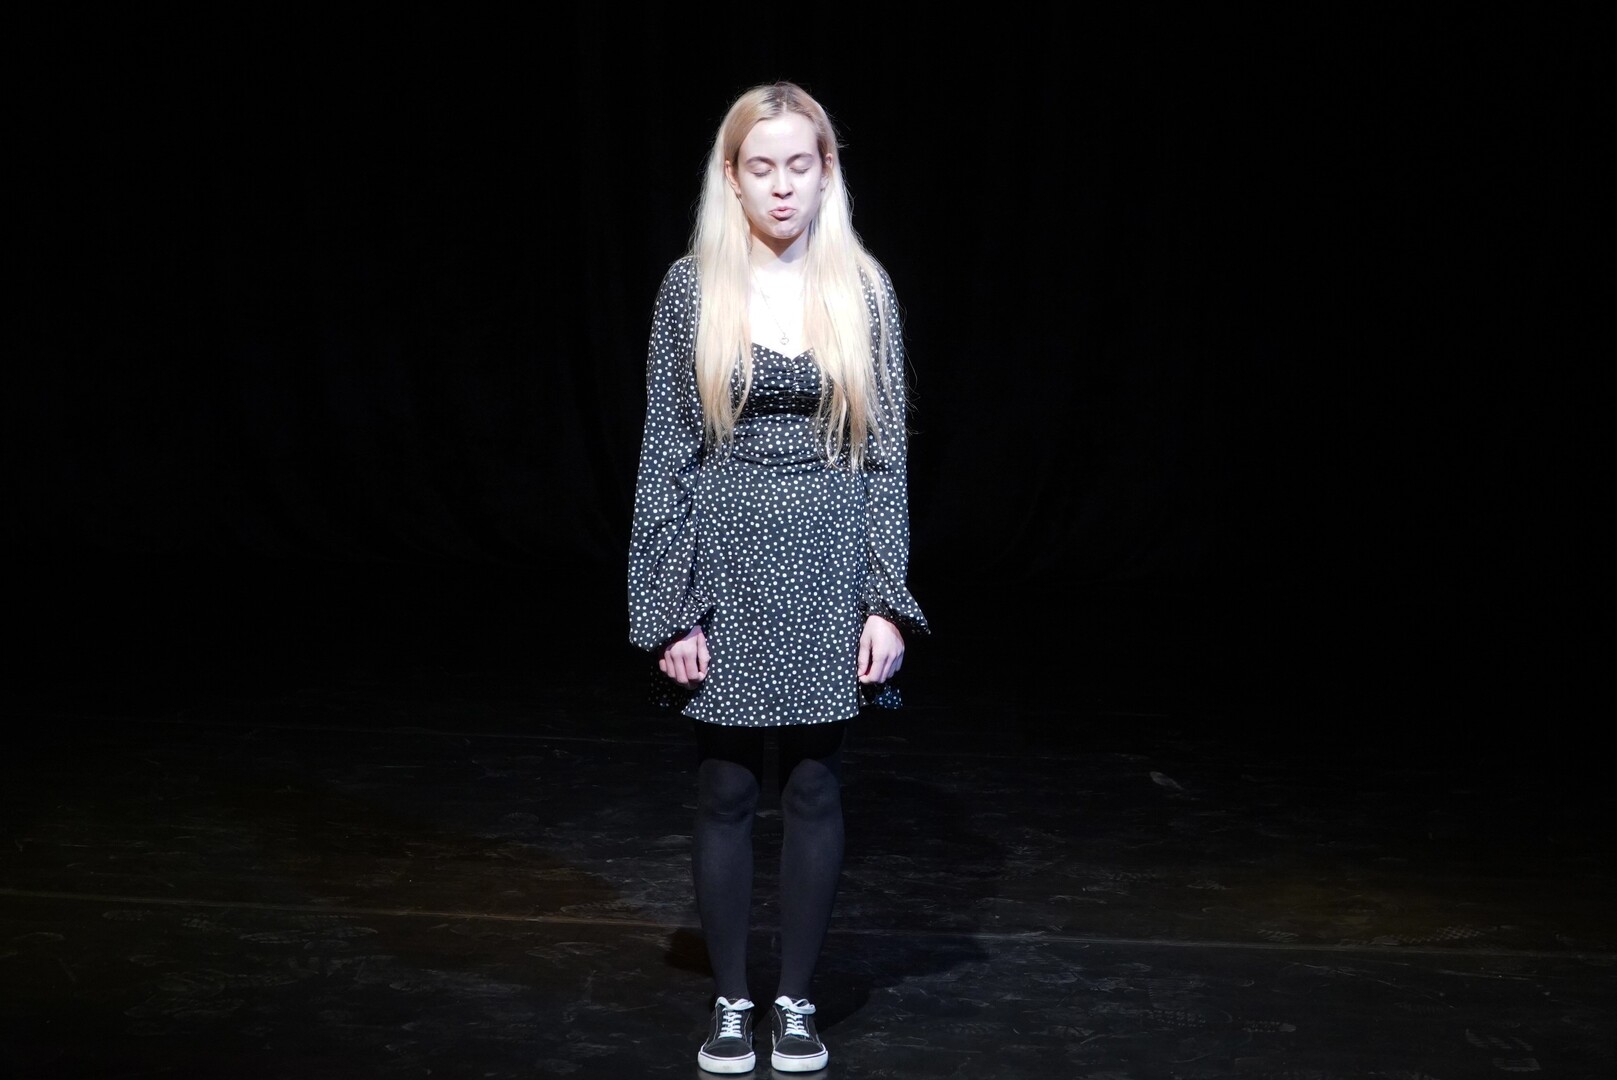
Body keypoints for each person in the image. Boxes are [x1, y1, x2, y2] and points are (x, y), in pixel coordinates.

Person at [627, 80, 928, 1073]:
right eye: (762, 167)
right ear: (733, 177)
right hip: (725, 565)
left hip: (827, 565)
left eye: (800, 164)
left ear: (826, 170)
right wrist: (670, 608)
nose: (783, 185)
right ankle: (731, 1000)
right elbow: (666, 453)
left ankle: (794, 1001)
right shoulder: (692, 289)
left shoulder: (862, 289)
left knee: (812, 784)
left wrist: (884, 599)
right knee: (723, 786)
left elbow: (884, 456)